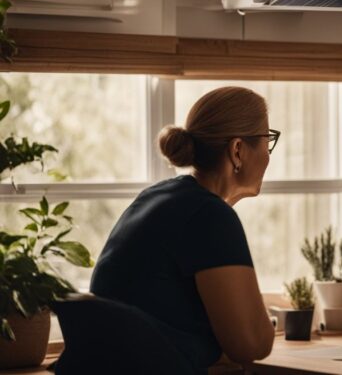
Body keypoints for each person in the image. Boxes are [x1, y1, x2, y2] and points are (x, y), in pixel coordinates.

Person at [91, 86, 280, 371]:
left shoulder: (157, 197)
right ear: (238, 150)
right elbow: (250, 344)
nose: (268, 155)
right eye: (268, 140)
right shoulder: (210, 215)